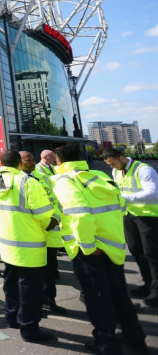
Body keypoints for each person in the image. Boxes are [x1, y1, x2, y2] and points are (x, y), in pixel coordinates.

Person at [52, 143, 148, 354]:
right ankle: (135, 338)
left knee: (97, 297)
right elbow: (121, 206)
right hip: (112, 245)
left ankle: (106, 343)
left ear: (60, 161)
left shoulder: (64, 180)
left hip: (89, 248)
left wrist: (88, 246)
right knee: (119, 294)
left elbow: (80, 215)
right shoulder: (99, 175)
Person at [0, 149, 56, 343]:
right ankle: (30, 329)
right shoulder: (27, 182)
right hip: (29, 247)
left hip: (6, 245)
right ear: (20, 163)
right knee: (30, 290)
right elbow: (44, 216)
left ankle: (12, 318)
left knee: (11, 284)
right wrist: (56, 217)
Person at [103, 147, 158, 306]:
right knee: (137, 251)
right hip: (129, 216)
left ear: (121, 157)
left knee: (152, 254)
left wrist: (124, 197)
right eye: (109, 165)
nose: (112, 168)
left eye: (113, 163)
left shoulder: (144, 170)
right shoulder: (115, 172)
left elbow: (154, 193)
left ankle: (156, 291)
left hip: (148, 216)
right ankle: (148, 285)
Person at [21, 150, 67, 315]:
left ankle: (49, 301)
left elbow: (55, 199)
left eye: (33, 159)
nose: (32, 162)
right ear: (19, 163)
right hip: (31, 236)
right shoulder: (19, 182)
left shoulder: (42, 177)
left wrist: (56, 217)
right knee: (33, 276)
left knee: (49, 272)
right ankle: (36, 305)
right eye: (28, 160)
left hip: (50, 234)